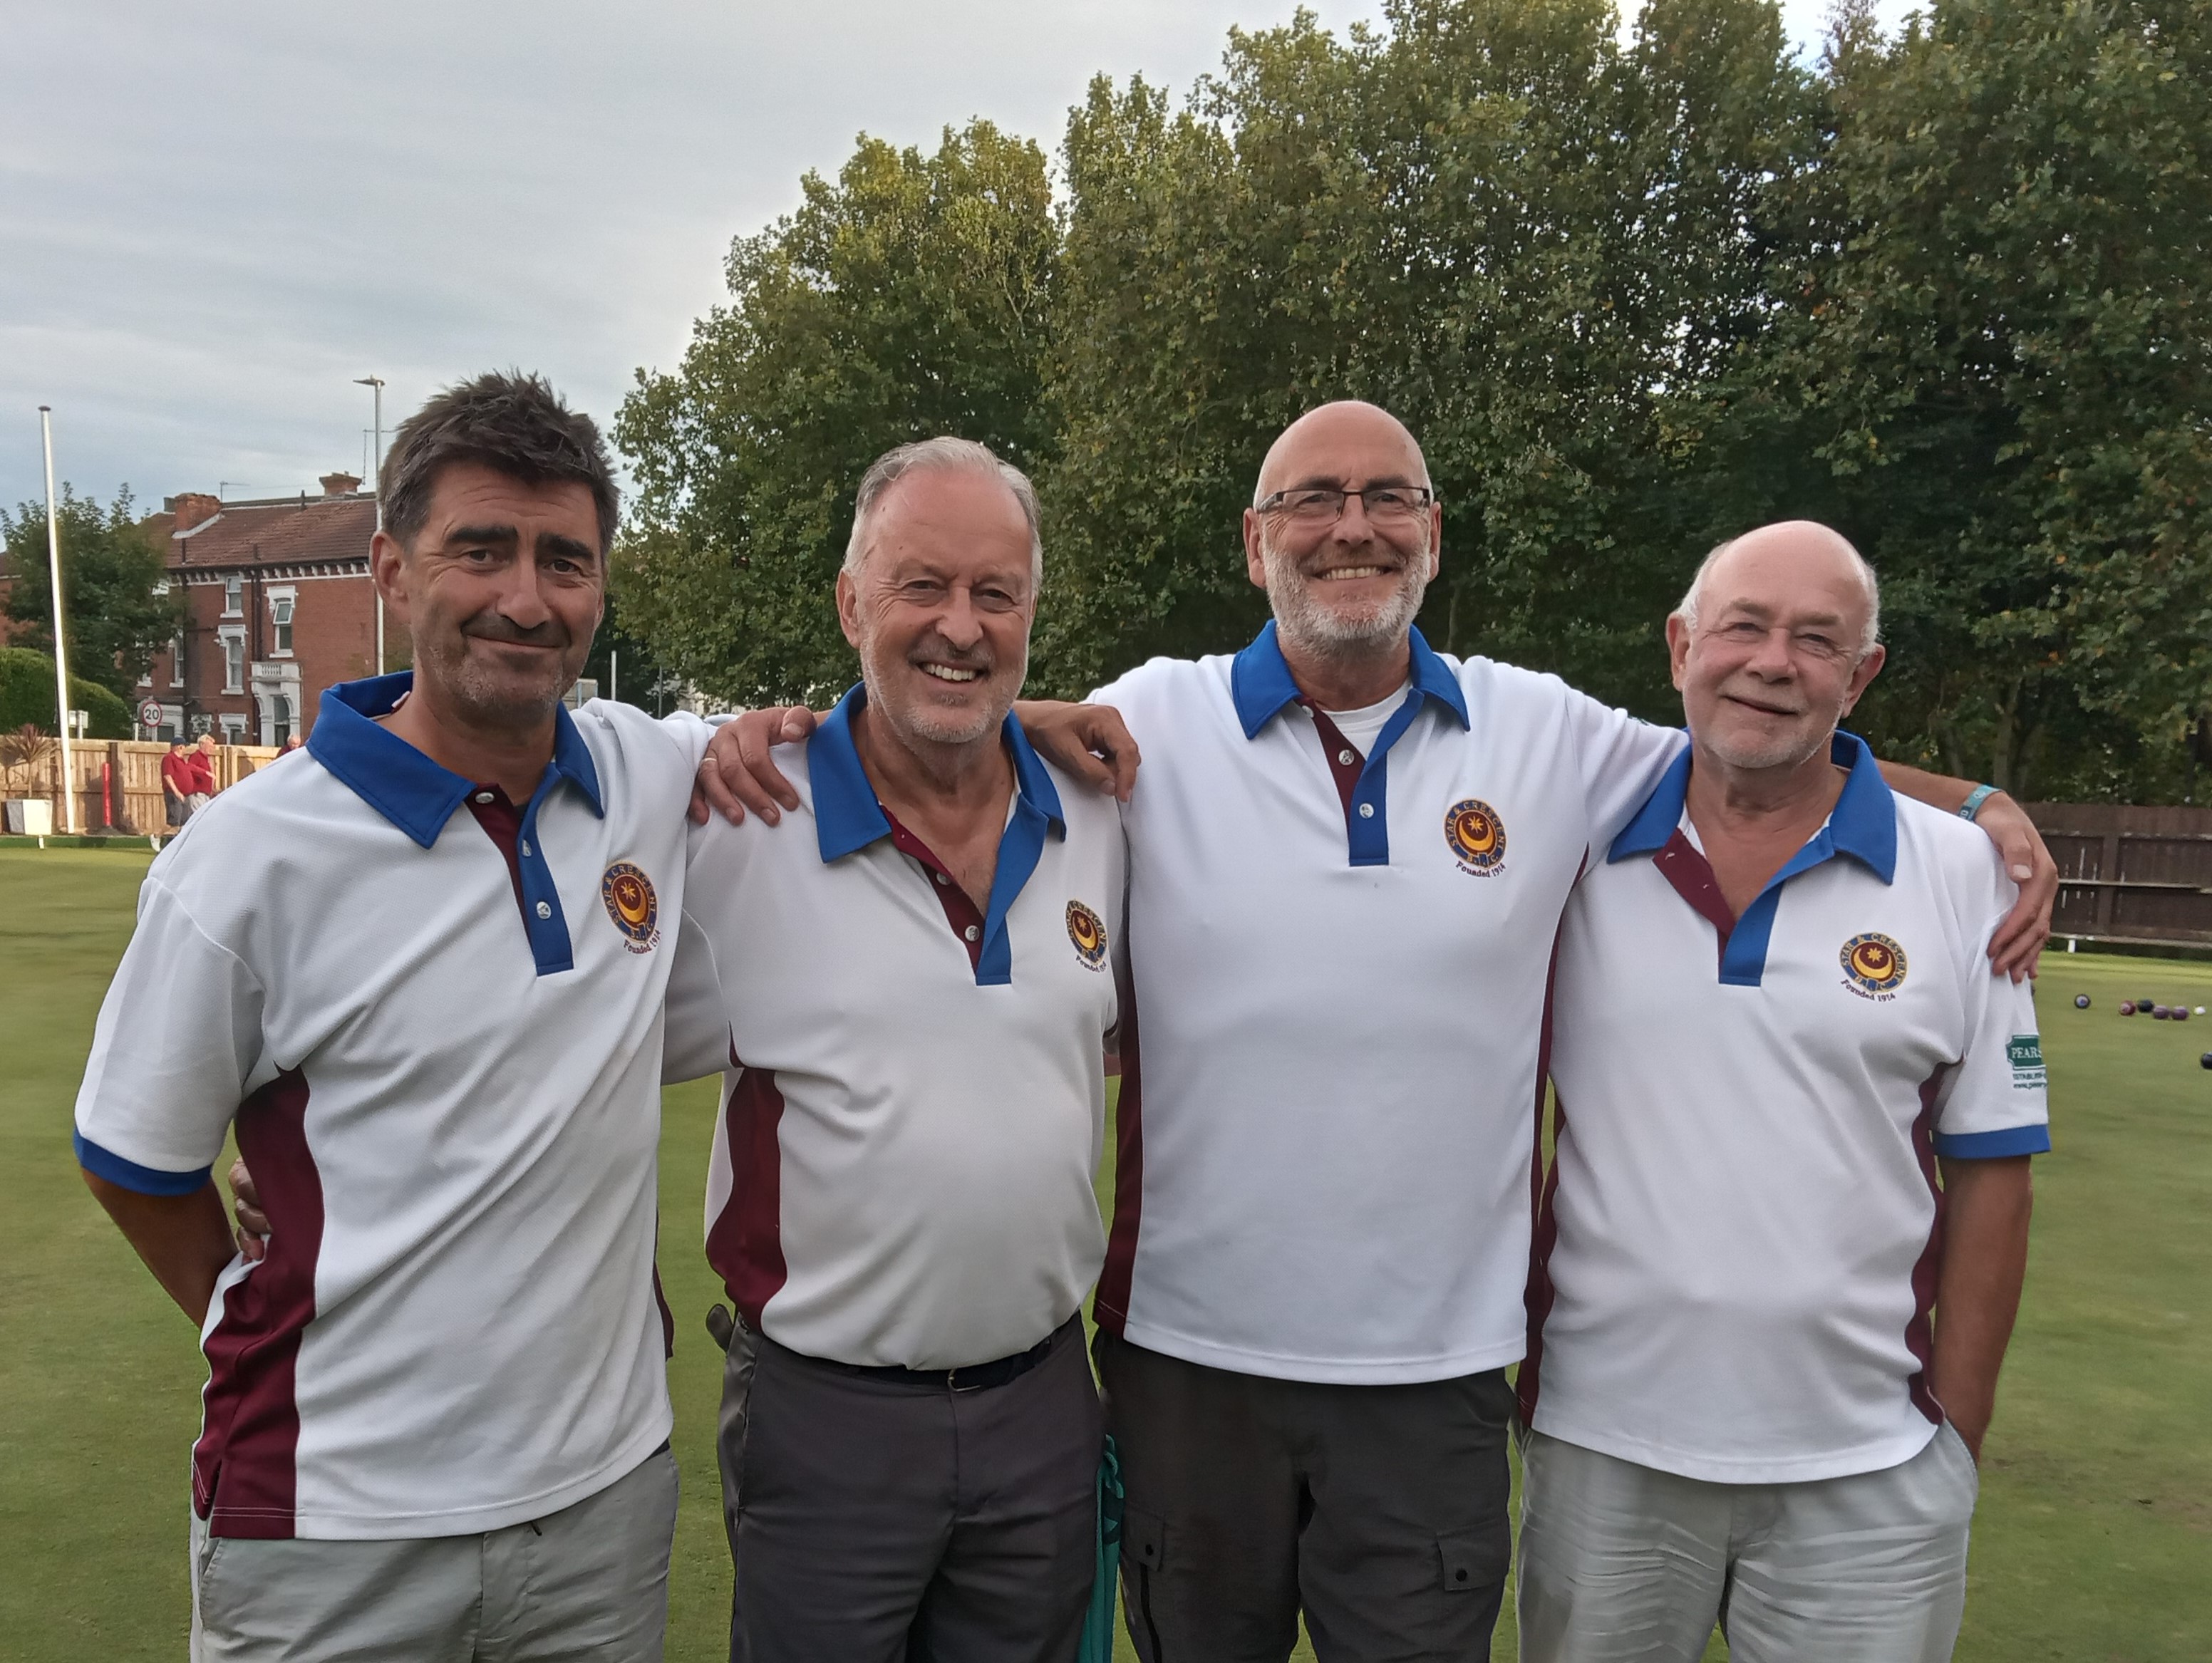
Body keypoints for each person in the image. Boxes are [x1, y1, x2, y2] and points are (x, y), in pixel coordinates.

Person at [706, 401, 2056, 1663]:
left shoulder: (1543, 732)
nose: (1351, 526)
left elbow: (1753, 730)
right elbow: (952, 722)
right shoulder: (1144, 726)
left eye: (1387, 498)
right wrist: (845, 726)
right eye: (1312, 499)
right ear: (1255, 541)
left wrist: (1977, 803)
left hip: (1437, 1377)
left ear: (1431, 532)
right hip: (1189, 1364)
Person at [73, 371, 714, 1662]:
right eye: (480, 549)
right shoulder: (248, 853)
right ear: (390, 568)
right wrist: (242, 1308)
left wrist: (1024, 719)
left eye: (563, 559)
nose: (525, 597)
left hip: (599, 1508)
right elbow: (133, 1155)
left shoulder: (650, 774)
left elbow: (880, 733)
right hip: (329, 1527)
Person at [1515, 523, 2047, 1663]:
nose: (1773, 662)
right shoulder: (1571, 835)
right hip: (1603, 1447)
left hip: (1870, 1469)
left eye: (1817, 640)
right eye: (1744, 627)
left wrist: (1956, 1436)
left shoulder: (1965, 875)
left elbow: (1995, 1166)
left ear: (1862, 675)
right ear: (1680, 646)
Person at [663, 437, 1122, 1662]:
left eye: (996, 593)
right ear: (849, 602)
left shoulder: (1098, 812)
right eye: (922, 584)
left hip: (1040, 1402)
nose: (961, 626)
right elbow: (557, 1018)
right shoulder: (739, 815)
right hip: (825, 1415)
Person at [161, 737, 195, 827]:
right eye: (184, 747)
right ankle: (167, 834)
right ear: (180, 747)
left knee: (185, 821)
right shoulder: (169, 758)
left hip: (185, 795)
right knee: (175, 821)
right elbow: (167, 776)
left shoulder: (181, 760)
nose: (185, 749)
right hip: (174, 795)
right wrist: (177, 792)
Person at [187, 732, 218, 813]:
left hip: (205, 794)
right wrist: (205, 773)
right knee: (199, 815)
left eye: (212, 747)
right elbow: (190, 767)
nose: (211, 749)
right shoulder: (196, 756)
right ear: (202, 745)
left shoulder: (206, 759)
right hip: (198, 794)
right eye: (209, 746)